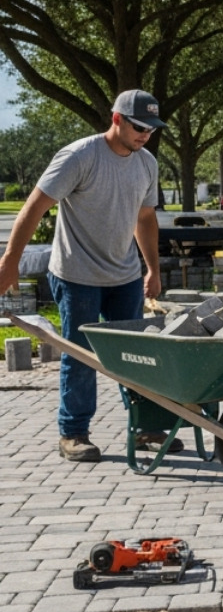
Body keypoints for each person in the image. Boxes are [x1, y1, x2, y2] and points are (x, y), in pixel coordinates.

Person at [0, 90, 168, 463]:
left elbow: (144, 219)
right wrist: (11, 260)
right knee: (79, 354)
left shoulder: (146, 164)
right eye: (139, 127)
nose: (145, 135)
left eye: (152, 129)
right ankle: (73, 433)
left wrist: (152, 268)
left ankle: (145, 427)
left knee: (136, 353)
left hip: (123, 274)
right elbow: (35, 206)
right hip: (77, 274)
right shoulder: (80, 156)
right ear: (117, 119)